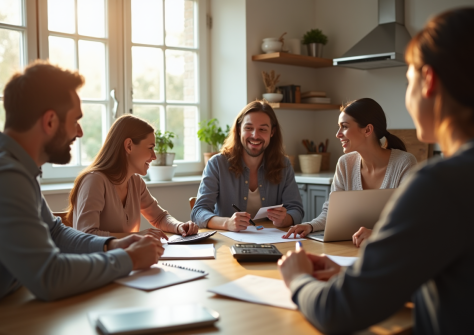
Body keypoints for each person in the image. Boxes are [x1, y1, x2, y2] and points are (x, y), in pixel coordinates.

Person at [278, 7, 474, 334]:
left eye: (407, 80)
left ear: (428, 81)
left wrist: (297, 278)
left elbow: (339, 312)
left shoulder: (440, 185)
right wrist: (363, 277)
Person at [0, 61, 164, 311]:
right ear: (50, 121)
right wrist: (129, 259)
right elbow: (49, 276)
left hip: (10, 305)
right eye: (75, 120)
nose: (80, 132)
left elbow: (55, 232)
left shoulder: (16, 169)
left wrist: (111, 245)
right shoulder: (1, 177)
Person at [283, 98, 417, 247]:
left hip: (390, 250)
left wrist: (376, 234)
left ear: (367, 130)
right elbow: (332, 213)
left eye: (344, 127)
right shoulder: (345, 163)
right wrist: (310, 226)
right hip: (351, 248)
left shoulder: (404, 163)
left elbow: (409, 219)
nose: (338, 134)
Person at [68, 114, 199, 237]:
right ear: (129, 146)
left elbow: (159, 217)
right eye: (150, 148)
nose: (154, 156)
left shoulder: (136, 182)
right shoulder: (94, 181)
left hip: (127, 259)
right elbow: (86, 235)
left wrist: (179, 226)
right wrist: (136, 236)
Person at [191, 100, 304, 231]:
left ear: (272, 132)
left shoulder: (284, 164)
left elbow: (296, 209)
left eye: (262, 129)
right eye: (248, 128)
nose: (255, 135)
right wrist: (227, 223)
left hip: (273, 241)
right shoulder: (217, 164)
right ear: (239, 130)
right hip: (228, 243)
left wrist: (285, 219)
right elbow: (198, 212)